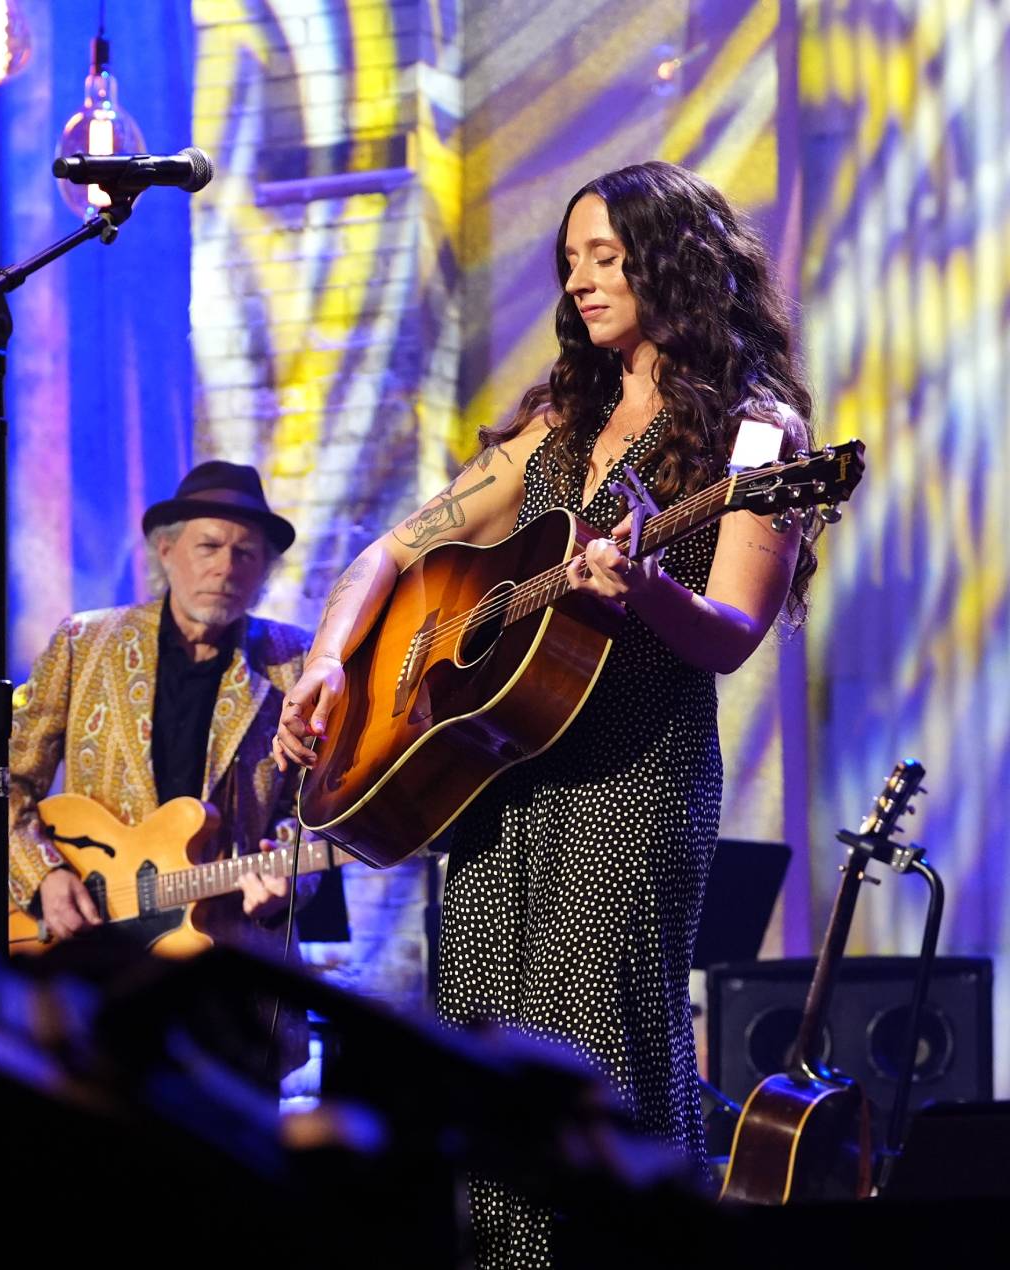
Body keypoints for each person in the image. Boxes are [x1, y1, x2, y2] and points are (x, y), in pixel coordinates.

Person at [276, 161, 817, 1266]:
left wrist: (648, 590)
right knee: (477, 1061)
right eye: (569, 260)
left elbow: (731, 630)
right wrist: (331, 659)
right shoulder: (554, 423)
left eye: (604, 257)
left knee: (592, 1062)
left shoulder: (756, 441)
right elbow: (393, 548)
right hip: (494, 779)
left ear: (673, 261)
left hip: (631, 774)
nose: (577, 280)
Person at [0, 461, 327, 1057]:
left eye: (246, 554)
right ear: (165, 551)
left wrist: (289, 876)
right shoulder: (85, 643)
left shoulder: (295, 660)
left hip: (230, 982)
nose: (226, 567)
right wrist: (44, 878)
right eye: (208, 546)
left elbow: (315, 810)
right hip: (96, 969)